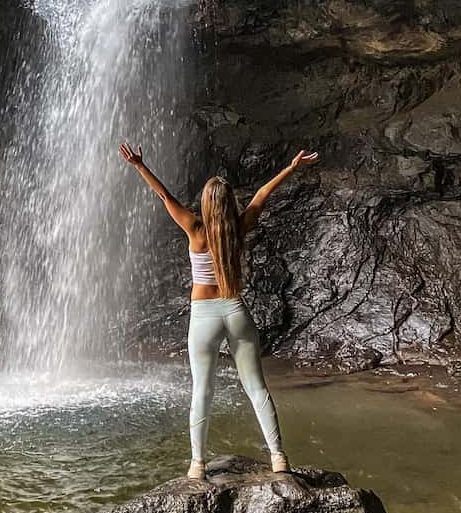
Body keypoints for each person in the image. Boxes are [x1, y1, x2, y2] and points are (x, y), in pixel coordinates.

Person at [119, 142, 319, 480]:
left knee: (202, 391)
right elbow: (261, 196)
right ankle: (279, 457)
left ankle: (197, 464)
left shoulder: (195, 230)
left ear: (206, 204)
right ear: (228, 205)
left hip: (204, 317)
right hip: (236, 311)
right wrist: (291, 167)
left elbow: (165, 197)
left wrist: (140, 166)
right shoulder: (238, 229)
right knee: (257, 389)